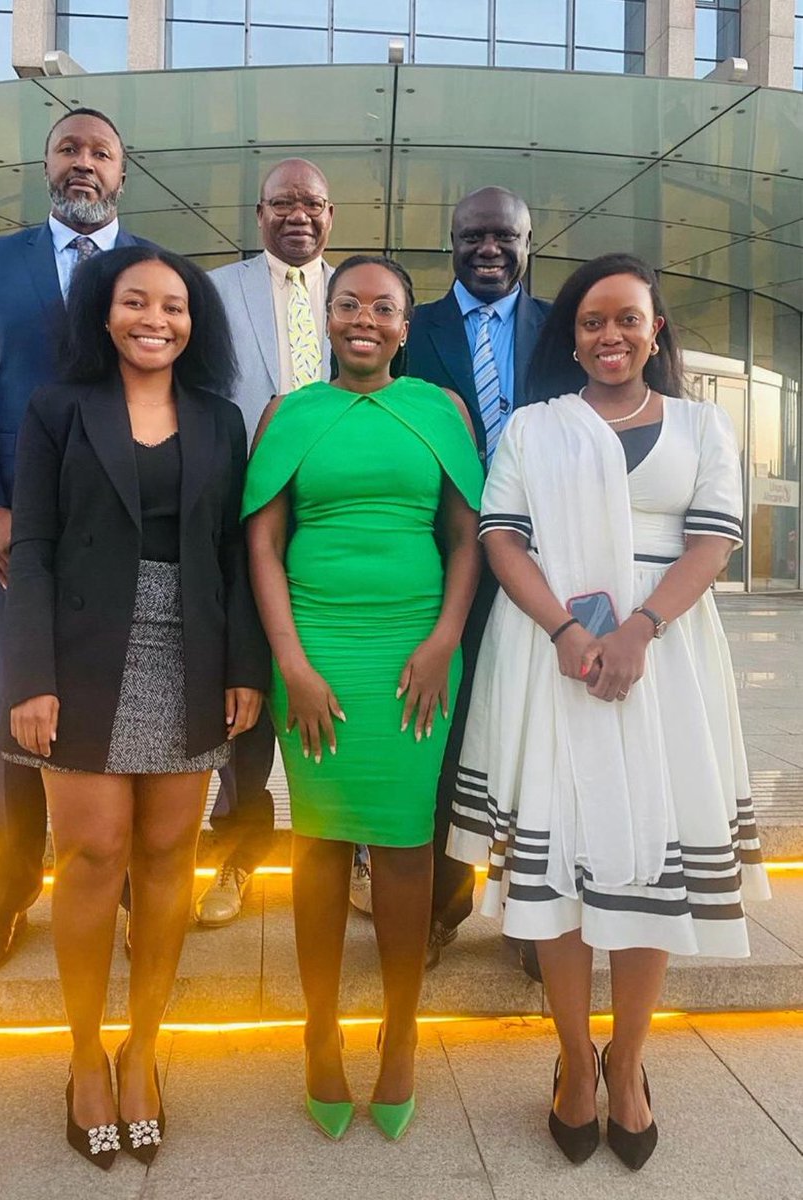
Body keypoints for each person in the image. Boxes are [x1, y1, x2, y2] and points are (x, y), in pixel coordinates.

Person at [448, 253, 770, 1169]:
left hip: (660, 664)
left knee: (646, 863)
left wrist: (637, 630)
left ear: (655, 328)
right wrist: (560, 629)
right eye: (592, 322)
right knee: (563, 871)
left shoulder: (705, 425)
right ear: (572, 336)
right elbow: (500, 534)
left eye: (628, 318)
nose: (610, 335)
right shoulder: (534, 428)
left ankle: (624, 1064)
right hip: (553, 657)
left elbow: (714, 539)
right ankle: (572, 1063)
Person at [1, 246, 269, 1167]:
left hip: (189, 652)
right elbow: (29, 547)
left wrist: (245, 667)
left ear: (196, 322)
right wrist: (28, 676)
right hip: (78, 658)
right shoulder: (56, 410)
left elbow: (235, 555)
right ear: (103, 315)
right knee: (90, 855)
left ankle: (143, 1048)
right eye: (135, 302)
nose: (156, 318)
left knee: (166, 857)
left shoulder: (220, 419)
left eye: (175, 305)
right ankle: (83, 1056)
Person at [244, 255, 482, 1141]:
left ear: (405, 325)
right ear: (326, 316)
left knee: (407, 845)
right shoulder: (288, 412)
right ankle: (318, 1028)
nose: (363, 320)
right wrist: (292, 665)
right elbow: (263, 543)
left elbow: (464, 536)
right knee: (316, 841)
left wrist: (443, 641)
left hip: (415, 652)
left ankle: (401, 1029)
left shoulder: (440, 410)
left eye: (383, 307)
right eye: (347, 304)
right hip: (314, 651)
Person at [0, 108, 155, 974]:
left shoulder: (150, 272)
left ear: (122, 173)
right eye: (70, 149)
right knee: (17, 707)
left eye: (101, 151)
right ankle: (8, 889)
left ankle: (133, 880)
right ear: (45, 164)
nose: (84, 163)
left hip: (133, 529)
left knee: (133, 701)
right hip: (16, 535)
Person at [400, 186, 550, 972]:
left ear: (529, 242)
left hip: (542, 567)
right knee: (445, 743)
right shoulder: (409, 328)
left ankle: (532, 914)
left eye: (504, 236)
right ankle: (439, 908)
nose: (487, 248)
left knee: (535, 737)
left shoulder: (560, 327)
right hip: (439, 561)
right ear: (450, 241)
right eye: (471, 236)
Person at [198, 159, 335, 927]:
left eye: (311, 203)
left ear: (330, 214)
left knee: (335, 684)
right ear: (258, 214)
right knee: (242, 693)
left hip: (337, 527)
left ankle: (343, 854)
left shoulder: (358, 293)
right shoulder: (217, 294)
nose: (298, 215)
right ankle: (239, 853)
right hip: (243, 517)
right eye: (282, 202)